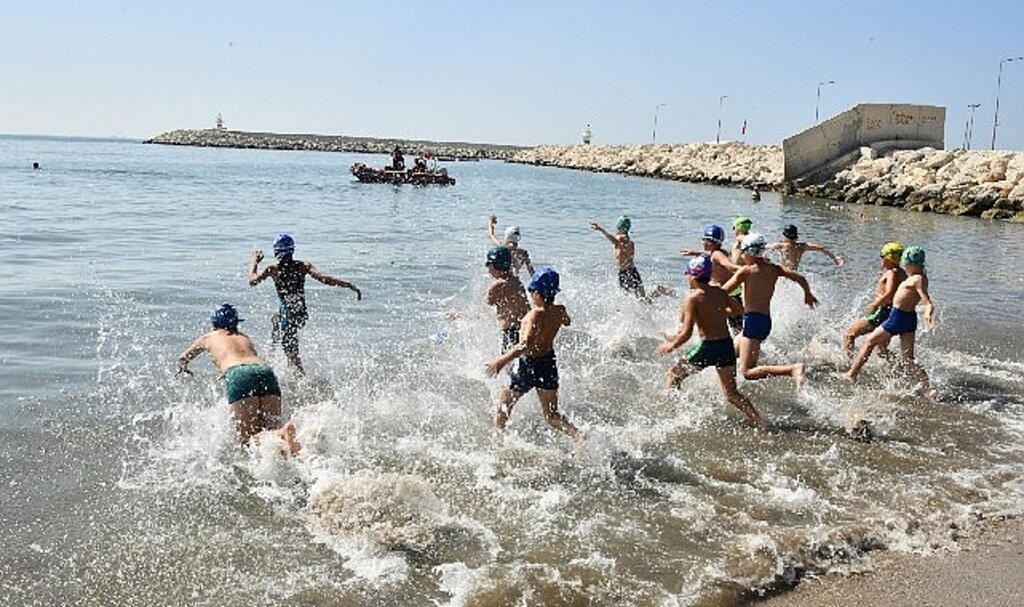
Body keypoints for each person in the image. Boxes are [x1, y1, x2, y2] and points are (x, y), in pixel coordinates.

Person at [177, 304, 300, 454]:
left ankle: (284, 433)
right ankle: (289, 445)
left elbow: (182, 358)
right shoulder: (243, 337)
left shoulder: (208, 337)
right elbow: (259, 357)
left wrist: (183, 368)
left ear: (214, 323)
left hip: (239, 374)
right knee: (271, 427)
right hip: (264, 371)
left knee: (247, 439)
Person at [655, 255, 762, 424]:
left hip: (708, 348)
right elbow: (738, 310)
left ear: (693, 276)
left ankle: (669, 415)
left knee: (673, 375)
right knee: (731, 393)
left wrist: (671, 346)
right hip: (726, 346)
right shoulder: (719, 292)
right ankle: (760, 420)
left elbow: (686, 333)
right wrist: (717, 313)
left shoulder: (692, 299)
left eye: (688, 274)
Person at [484, 268, 581, 439]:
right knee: (551, 416)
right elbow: (567, 322)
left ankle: (499, 441)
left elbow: (524, 345)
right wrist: (556, 312)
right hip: (548, 364)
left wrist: (500, 362)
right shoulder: (560, 310)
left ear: (537, 293)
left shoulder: (534, 315)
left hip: (528, 366)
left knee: (503, 406)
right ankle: (579, 436)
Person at [248, 233, 361, 375]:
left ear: (276, 252)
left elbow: (252, 280)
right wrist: (348, 284)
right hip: (300, 313)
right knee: (276, 318)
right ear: (292, 250)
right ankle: (269, 358)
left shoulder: (272, 269)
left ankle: (301, 383)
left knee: (293, 360)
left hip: (288, 317)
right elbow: (325, 279)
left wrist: (255, 261)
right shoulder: (303, 267)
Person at [720, 233, 818, 387]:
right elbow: (800, 278)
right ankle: (729, 387)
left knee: (747, 372)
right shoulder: (774, 269)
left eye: (743, 252)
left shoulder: (746, 271)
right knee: (728, 354)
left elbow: (722, 293)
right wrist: (808, 294)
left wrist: (706, 296)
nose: (742, 256)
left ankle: (792, 369)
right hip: (764, 321)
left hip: (752, 323)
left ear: (750, 252)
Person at [845, 246, 937, 399]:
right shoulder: (919, 276)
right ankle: (929, 389)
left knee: (869, 342)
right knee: (908, 359)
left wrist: (928, 314)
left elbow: (927, 301)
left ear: (913, 264)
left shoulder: (917, 279)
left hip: (898, 317)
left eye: (906, 264)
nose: (904, 267)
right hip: (909, 318)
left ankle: (851, 374)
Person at [843, 242, 907, 353]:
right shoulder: (901, 272)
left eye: (882, 256)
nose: (881, 260)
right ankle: (902, 364)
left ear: (887, 259)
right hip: (892, 312)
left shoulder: (891, 273)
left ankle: (847, 361)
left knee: (850, 334)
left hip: (882, 312)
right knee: (881, 350)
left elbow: (890, 292)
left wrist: (875, 304)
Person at [683, 224, 743, 332]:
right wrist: (696, 253)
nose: (702, 242)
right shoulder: (719, 252)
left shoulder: (717, 255)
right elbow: (713, 256)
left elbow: (729, 265)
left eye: (703, 239)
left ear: (710, 242)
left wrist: (747, 270)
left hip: (729, 294)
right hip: (731, 293)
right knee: (736, 328)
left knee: (736, 329)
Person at [485, 246, 530, 352]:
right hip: (524, 329)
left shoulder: (498, 285)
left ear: (497, 266)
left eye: (489, 265)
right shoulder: (517, 282)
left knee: (506, 360)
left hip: (510, 332)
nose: (488, 270)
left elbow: (484, 307)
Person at [590, 215, 646, 298]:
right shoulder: (630, 242)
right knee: (642, 300)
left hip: (625, 273)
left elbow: (614, 240)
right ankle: (659, 291)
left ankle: (659, 290)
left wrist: (601, 230)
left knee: (628, 299)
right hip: (633, 271)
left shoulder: (621, 239)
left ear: (619, 227)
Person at [766, 224, 844, 270]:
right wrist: (835, 257)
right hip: (794, 275)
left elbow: (766, 247)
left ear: (785, 236)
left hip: (784, 275)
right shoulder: (802, 246)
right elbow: (821, 248)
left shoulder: (782, 245)